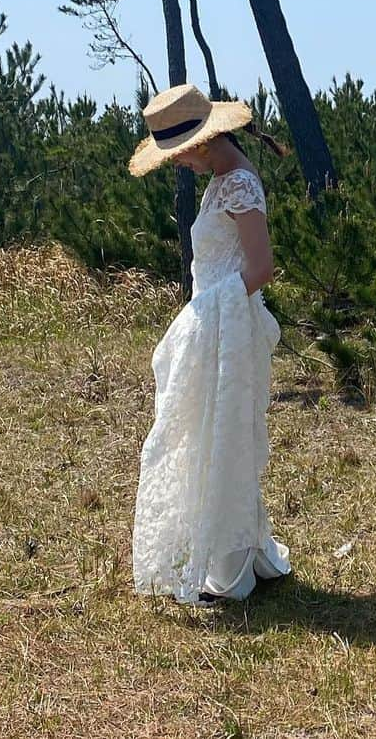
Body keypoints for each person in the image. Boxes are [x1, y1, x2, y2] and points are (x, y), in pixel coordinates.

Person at [128, 83, 292, 606]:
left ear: (201, 143)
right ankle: (232, 548)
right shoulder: (221, 181)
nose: (178, 165)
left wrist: (210, 309)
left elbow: (260, 269)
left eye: (178, 155)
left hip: (227, 327)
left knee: (221, 435)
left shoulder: (239, 184)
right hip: (213, 322)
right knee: (204, 433)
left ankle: (230, 562)